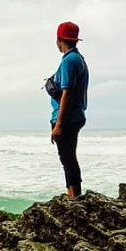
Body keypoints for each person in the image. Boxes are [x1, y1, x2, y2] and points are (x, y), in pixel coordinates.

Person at [49, 21, 89, 198]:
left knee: (68, 160)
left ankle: (75, 198)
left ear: (59, 40)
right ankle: (71, 194)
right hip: (75, 115)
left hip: (67, 118)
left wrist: (59, 125)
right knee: (68, 159)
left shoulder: (70, 61)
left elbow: (67, 94)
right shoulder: (77, 59)